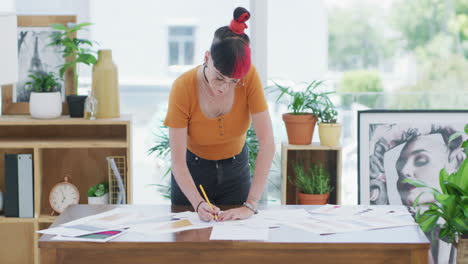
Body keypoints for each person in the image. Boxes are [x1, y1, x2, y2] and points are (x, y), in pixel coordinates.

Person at [163, 7, 275, 222]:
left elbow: (267, 142)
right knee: (189, 244)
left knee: (236, 244)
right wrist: (198, 203)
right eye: (220, 78)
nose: (225, 87)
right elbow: (177, 161)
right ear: (207, 57)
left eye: (234, 82)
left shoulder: (250, 77)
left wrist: (251, 204)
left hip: (236, 171)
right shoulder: (183, 87)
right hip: (191, 172)